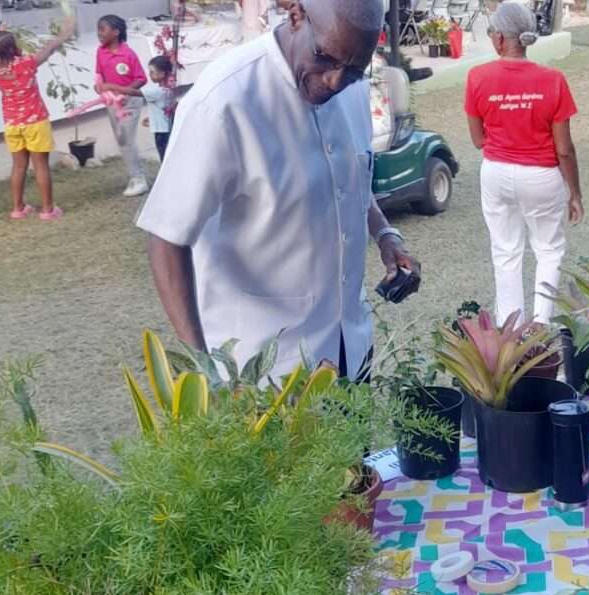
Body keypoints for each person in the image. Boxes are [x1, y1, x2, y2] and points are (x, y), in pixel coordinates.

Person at [136, 0, 421, 380]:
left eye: (354, 70)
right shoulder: (223, 101)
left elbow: (351, 174)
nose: (335, 81)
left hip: (350, 348)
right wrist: (205, 375)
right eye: (325, 57)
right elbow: (166, 237)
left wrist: (386, 235)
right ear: (296, 16)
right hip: (265, 372)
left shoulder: (352, 90)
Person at [465, 2, 583, 325]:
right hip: (542, 176)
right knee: (548, 251)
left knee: (505, 253)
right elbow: (564, 149)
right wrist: (574, 193)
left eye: (492, 32)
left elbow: (477, 139)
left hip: (496, 173)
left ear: (500, 39)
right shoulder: (553, 79)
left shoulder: (477, 77)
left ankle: (510, 333)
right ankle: (541, 329)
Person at [0, 16, 76, 221]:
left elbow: (1, 49)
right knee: (40, 165)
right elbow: (49, 49)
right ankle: (48, 210)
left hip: (12, 124)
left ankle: (18, 208)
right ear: (13, 47)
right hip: (35, 122)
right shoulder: (27, 63)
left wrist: (1, 36)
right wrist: (63, 35)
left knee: (18, 165)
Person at [95, 14, 149, 197]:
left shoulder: (128, 54)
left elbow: (141, 78)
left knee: (126, 139)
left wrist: (125, 92)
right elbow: (99, 75)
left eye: (102, 29)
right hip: (112, 103)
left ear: (116, 32)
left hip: (130, 102)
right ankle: (135, 175)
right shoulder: (100, 51)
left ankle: (139, 179)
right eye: (98, 29)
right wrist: (99, 86)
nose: (99, 33)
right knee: (120, 139)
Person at [124, 55, 175, 162]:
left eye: (152, 72)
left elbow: (133, 92)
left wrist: (112, 87)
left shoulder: (156, 91)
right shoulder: (169, 89)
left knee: (164, 158)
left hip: (161, 132)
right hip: (168, 129)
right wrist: (151, 118)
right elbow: (163, 108)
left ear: (162, 74)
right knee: (169, 156)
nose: (149, 74)